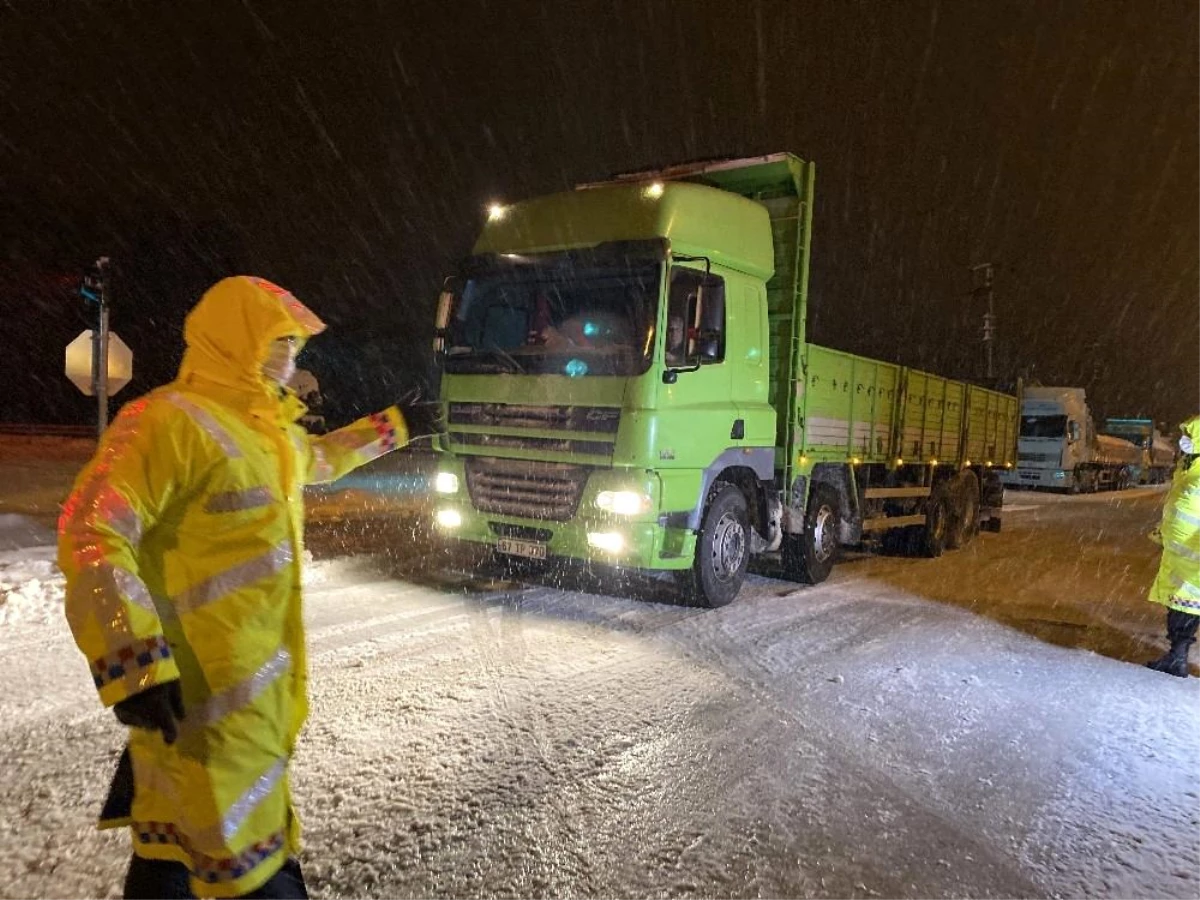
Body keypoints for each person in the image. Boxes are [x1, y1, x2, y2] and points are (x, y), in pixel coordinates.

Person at [57, 276, 410, 898]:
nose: (289, 360)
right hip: (195, 694)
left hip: (251, 699)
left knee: (176, 851)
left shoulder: (265, 432)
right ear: (233, 341)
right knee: (247, 869)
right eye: (278, 343)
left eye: (295, 347)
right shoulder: (164, 423)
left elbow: (322, 459)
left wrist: (397, 427)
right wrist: (131, 661)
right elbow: (93, 530)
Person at [1145, 415, 1200, 677]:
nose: (1184, 441)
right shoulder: (1190, 466)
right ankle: (1176, 657)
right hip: (1181, 555)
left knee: (1186, 606)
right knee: (1180, 606)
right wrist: (1165, 530)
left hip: (1193, 558)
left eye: (1190, 436)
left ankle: (1177, 659)